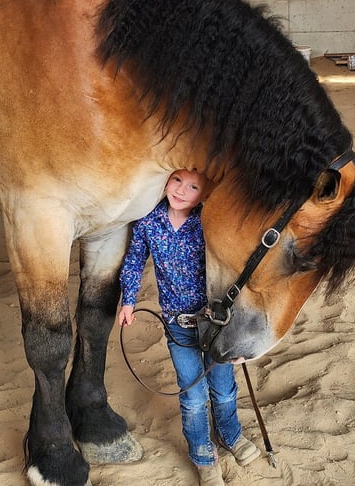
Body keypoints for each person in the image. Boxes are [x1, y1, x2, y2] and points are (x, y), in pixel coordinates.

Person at [118, 169, 260, 486]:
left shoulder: (207, 221)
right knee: (192, 396)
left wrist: (238, 323)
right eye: (176, 180)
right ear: (165, 182)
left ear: (204, 193)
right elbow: (134, 260)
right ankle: (203, 456)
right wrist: (128, 300)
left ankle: (230, 435)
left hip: (214, 322)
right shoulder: (148, 221)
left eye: (193, 186)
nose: (182, 190)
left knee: (223, 388)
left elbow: (232, 264)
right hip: (177, 325)